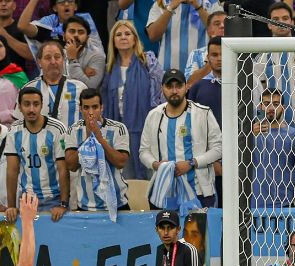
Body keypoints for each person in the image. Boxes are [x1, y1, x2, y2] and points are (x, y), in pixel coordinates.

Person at [140, 69, 222, 209]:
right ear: (162, 89)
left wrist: (192, 163)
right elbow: (143, 151)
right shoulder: (153, 115)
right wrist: (156, 165)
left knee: (198, 232)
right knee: (165, 231)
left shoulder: (203, 113)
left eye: (178, 86)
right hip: (163, 192)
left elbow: (219, 149)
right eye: (169, 86)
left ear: (186, 87)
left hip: (199, 191)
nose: (174, 91)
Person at [101, 20, 164, 181]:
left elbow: (160, 95)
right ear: (113, 41)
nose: (123, 37)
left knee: (149, 178)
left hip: (145, 130)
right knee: (125, 180)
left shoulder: (148, 61)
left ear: (135, 39)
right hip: (119, 133)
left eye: (127, 34)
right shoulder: (108, 69)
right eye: (119, 34)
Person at [5, 87, 69, 222]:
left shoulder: (57, 129)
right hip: (27, 201)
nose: (31, 109)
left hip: (54, 201)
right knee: (29, 241)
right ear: (20, 107)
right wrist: (11, 206)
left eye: (36, 104)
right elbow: (12, 170)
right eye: (27, 104)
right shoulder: (14, 131)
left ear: (42, 105)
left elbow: (63, 169)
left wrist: (63, 204)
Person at [65, 88, 130, 217]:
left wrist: (99, 138)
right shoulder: (73, 130)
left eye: (95, 107)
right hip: (86, 205)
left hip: (118, 204)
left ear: (101, 107)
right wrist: (88, 140)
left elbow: (121, 162)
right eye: (86, 107)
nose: (91, 112)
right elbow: (71, 165)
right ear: (80, 109)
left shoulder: (118, 128)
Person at [254, 3, 295, 127]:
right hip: (276, 130)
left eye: (285, 18)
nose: (281, 23)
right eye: (276, 20)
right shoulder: (262, 55)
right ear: (269, 24)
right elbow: (260, 94)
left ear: (292, 22)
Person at [16, 41, 86, 129]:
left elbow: (90, 119)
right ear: (39, 62)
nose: (53, 62)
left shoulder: (80, 88)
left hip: (73, 142)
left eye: (57, 57)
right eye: (48, 58)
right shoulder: (28, 89)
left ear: (63, 59)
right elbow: (18, 123)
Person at [252, 88, 295, 208]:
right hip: (257, 205)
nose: (270, 108)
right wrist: (249, 136)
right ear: (260, 107)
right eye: (266, 104)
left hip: (286, 205)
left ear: (283, 107)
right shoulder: (250, 134)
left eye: (275, 104)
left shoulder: (293, 134)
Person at [145, 0, 223, 71]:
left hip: (202, 73)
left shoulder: (212, 3)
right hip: (169, 74)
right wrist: (170, 8)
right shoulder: (161, 4)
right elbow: (152, 36)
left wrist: (198, 7)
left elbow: (220, 34)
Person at [18, 0, 103, 59]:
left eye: (70, 1)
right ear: (55, 8)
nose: (66, 4)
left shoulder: (86, 21)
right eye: (61, 2)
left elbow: (95, 50)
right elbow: (23, 26)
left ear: (75, 6)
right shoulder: (48, 22)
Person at [63, 15, 107, 89]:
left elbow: (90, 86)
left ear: (87, 38)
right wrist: (82, 73)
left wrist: (73, 60)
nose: (76, 35)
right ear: (63, 35)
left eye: (81, 32)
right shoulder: (56, 56)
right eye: (72, 31)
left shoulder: (97, 57)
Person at [183, 10, 225, 89]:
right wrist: (211, 60)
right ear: (208, 30)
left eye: (226, 24)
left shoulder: (240, 53)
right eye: (217, 24)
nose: (222, 26)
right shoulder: (196, 54)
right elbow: (189, 84)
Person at [188, 36, 222, 126]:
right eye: (214, 55)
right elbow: (189, 120)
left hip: (238, 139)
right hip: (205, 139)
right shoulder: (198, 87)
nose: (219, 58)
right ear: (208, 57)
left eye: (223, 54)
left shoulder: (245, 82)